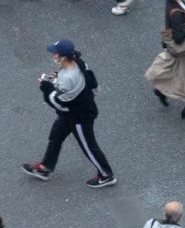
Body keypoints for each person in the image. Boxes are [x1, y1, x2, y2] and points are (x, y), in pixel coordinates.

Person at [21, 39, 115, 187]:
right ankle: (45, 167)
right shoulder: (79, 63)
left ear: (63, 57)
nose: (54, 55)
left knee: (88, 146)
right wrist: (56, 78)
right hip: (77, 110)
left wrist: (46, 87)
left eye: (56, 53)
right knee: (56, 136)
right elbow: (90, 78)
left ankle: (106, 175)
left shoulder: (67, 78)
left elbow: (58, 103)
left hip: (78, 117)